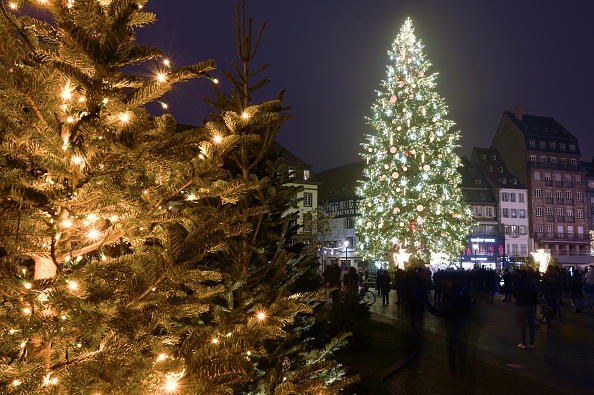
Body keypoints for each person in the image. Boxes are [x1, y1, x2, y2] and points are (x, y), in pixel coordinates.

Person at [514, 268, 538, 349]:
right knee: (531, 324)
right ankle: (532, 343)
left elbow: (515, 294)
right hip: (531, 304)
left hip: (522, 304)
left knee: (523, 324)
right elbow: (535, 295)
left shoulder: (519, 283)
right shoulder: (532, 283)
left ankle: (523, 343)